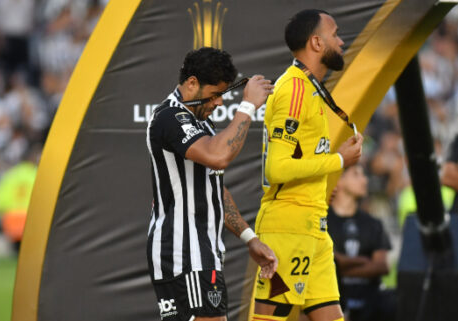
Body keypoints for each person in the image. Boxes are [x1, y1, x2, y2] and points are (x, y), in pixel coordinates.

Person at [146, 47, 278, 321]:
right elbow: (218, 157)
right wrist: (247, 106)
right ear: (192, 83)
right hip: (185, 254)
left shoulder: (200, 123)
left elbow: (213, 188)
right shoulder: (170, 116)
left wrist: (248, 238)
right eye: (215, 94)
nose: (219, 103)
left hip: (199, 254)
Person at [253, 9, 363, 321]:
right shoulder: (295, 89)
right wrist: (340, 160)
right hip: (287, 227)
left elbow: (304, 158)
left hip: (314, 225)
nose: (341, 42)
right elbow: (277, 168)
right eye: (335, 34)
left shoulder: (309, 88)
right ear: (316, 42)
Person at [327, 164, 395, 321]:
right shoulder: (322, 219)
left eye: (364, 175)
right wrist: (361, 261)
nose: (364, 180)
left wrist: (339, 268)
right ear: (338, 181)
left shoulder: (373, 223)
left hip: (369, 302)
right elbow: (321, 261)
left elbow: (381, 266)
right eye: (356, 174)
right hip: (333, 300)